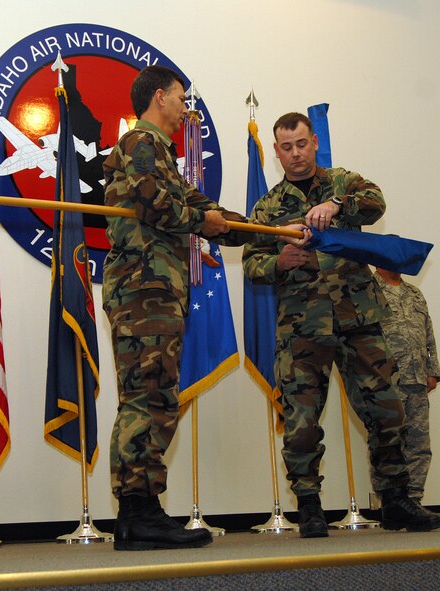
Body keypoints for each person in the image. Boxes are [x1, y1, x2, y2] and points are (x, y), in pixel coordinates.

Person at [101, 67, 303, 550]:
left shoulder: (160, 154)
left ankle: (138, 514)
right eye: (179, 98)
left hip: (156, 291)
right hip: (142, 288)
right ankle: (138, 508)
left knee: (154, 396)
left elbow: (200, 207)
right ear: (158, 98)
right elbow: (160, 208)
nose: (184, 109)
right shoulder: (139, 145)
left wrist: (260, 230)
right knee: (147, 398)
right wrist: (204, 220)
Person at [242, 113, 440, 537]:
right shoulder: (267, 207)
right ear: (276, 152)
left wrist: (338, 205)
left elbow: (377, 202)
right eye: (286, 147)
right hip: (302, 329)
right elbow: (251, 264)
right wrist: (278, 261)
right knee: (300, 422)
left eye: (302, 144)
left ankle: (395, 501)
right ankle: (311, 508)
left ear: (314, 142)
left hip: (360, 320)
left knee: (388, 412)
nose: (296, 154)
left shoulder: (344, 182)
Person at [372, 266, 440, 501]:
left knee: (419, 444)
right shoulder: (368, 291)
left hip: (417, 379)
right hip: (386, 381)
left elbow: (428, 334)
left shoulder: (414, 293)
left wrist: (433, 371)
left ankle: (414, 499)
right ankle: (391, 502)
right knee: (387, 443)